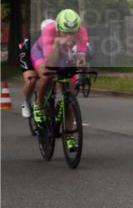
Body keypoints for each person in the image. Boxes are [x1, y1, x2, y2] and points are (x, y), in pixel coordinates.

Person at [31, 10, 88, 150]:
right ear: (58, 28)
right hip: (42, 52)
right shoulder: (49, 31)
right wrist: (57, 44)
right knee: (46, 74)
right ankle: (38, 105)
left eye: (72, 33)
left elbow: (80, 57)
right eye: (65, 33)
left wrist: (81, 65)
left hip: (64, 55)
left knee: (70, 96)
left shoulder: (81, 32)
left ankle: (69, 136)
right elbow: (50, 62)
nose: (69, 36)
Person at [17, 18, 54, 118]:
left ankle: (46, 96)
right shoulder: (34, 41)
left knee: (50, 76)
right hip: (28, 55)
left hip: (44, 59)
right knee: (32, 80)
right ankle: (26, 101)